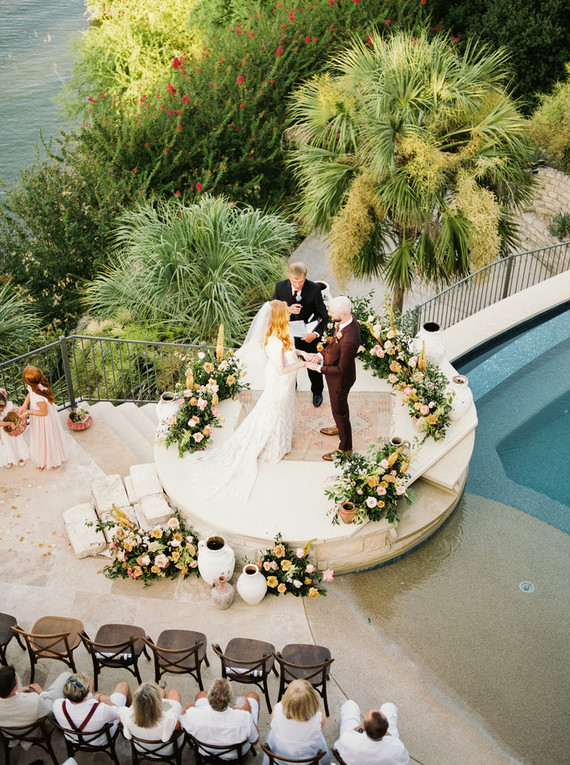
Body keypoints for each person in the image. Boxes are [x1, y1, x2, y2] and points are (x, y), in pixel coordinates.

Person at [185, 300, 305, 502]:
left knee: (283, 412)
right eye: (286, 312)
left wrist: (304, 353)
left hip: (286, 382)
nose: (289, 314)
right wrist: (303, 366)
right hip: (280, 382)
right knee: (274, 414)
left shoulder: (282, 332)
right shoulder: (274, 340)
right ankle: (273, 448)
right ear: (279, 316)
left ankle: (282, 444)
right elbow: (282, 368)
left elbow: (290, 351)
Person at [303, 296, 361, 460]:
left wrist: (318, 368)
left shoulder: (350, 339)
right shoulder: (346, 322)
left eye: (331, 311)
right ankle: (339, 426)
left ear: (342, 313)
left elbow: (341, 369)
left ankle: (345, 448)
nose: (328, 313)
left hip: (340, 381)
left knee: (339, 412)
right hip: (337, 375)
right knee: (340, 409)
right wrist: (320, 356)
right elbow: (334, 345)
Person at [273, 262, 329, 408]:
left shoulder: (315, 289)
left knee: (313, 362)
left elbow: (324, 315)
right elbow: (272, 310)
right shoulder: (280, 286)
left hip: (307, 334)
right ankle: (292, 386)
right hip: (286, 334)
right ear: (289, 277)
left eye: (301, 282)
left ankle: (317, 391)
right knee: (288, 362)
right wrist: (288, 309)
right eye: (294, 281)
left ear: (305, 277)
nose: (297, 285)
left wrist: (315, 334)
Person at [181, 678, 259, 759]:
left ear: (209, 697)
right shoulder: (245, 718)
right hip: (234, 755)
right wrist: (248, 712)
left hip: (205, 751)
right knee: (253, 696)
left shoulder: (192, 715)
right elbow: (255, 740)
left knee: (201, 695)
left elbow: (182, 724)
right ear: (230, 700)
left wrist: (188, 707)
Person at [263, 679, 331, 765]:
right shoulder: (319, 719)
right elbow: (319, 712)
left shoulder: (277, 710)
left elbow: (275, 715)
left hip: (279, 760)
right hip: (308, 761)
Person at [53, 672, 131, 746]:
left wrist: (95, 698)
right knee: (123, 686)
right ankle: (132, 713)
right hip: (99, 742)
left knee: (91, 682)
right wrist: (106, 700)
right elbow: (119, 712)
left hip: (73, 739)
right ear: (87, 696)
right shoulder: (102, 710)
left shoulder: (57, 705)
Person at [18, 365, 67, 469]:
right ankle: (44, 458)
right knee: (41, 439)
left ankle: (50, 460)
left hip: (44, 420)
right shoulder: (34, 386)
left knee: (46, 439)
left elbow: (44, 412)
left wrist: (28, 412)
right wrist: (24, 405)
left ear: (28, 382)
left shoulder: (39, 397)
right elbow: (30, 393)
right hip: (39, 416)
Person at [334, 699, 409, 765]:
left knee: (350, 705)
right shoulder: (397, 748)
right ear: (387, 728)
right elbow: (404, 761)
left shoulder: (348, 740)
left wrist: (359, 728)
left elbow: (337, 748)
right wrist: (388, 735)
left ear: (364, 728)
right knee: (389, 706)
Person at [0, 665, 70, 732]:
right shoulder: (34, 700)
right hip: (33, 732)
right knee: (66, 675)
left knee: (15, 674)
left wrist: (17, 692)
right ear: (13, 688)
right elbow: (50, 712)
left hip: (10, 733)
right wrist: (42, 693)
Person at [119, 682, 182, 755]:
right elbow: (178, 726)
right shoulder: (169, 720)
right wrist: (163, 700)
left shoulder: (125, 716)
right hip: (165, 751)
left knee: (161, 690)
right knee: (174, 692)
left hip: (141, 748)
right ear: (157, 704)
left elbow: (121, 720)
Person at [0, 388, 29, 468]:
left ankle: (20, 457)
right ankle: (8, 459)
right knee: (6, 445)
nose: (3, 410)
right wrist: (9, 423)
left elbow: (15, 410)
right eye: (1, 409)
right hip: (3, 432)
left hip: (13, 430)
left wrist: (20, 412)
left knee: (16, 442)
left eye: (4, 407)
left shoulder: (8, 405)